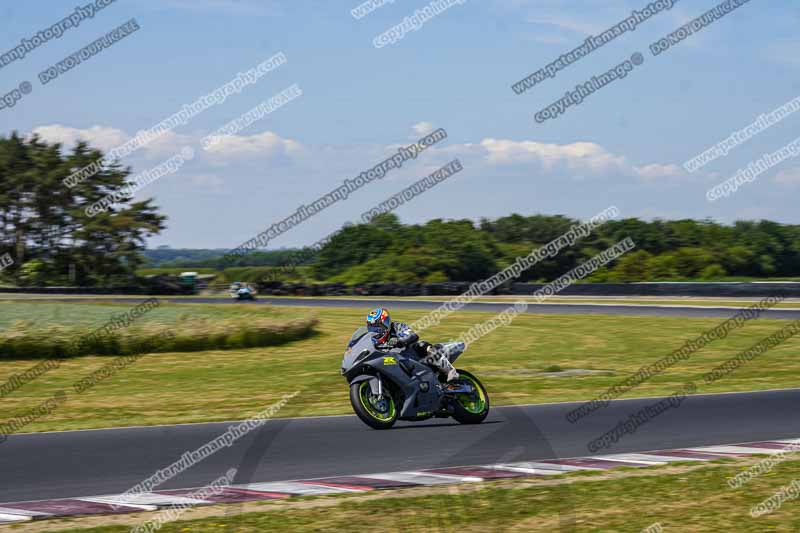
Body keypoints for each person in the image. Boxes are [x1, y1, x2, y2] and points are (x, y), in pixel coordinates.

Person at [366, 307, 459, 382]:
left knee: (422, 345)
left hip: (412, 357)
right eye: (373, 328)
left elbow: (412, 335)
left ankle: (450, 370)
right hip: (393, 364)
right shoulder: (373, 340)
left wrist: (400, 341)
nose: (377, 331)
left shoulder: (397, 327)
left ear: (386, 322)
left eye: (379, 327)